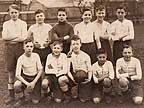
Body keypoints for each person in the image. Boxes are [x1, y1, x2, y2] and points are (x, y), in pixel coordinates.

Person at [2, 4, 27, 104]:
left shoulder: (23, 23)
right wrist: (17, 37)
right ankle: (11, 96)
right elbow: (4, 37)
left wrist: (11, 38)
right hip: (9, 50)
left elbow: (23, 37)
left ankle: (22, 97)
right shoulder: (6, 24)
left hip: (20, 48)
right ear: (9, 13)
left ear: (19, 13)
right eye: (12, 12)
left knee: (21, 72)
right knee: (11, 73)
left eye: (15, 12)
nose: (14, 14)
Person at [13, 39, 43, 107]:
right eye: (27, 46)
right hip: (25, 77)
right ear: (23, 47)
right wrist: (27, 84)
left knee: (35, 102)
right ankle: (22, 99)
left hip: (35, 78)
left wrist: (34, 82)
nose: (29, 48)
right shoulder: (20, 58)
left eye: (31, 46)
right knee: (16, 85)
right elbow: (17, 75)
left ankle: (33, 92)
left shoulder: (36, 55)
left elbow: (40, 70)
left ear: (33, 47)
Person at [67, 35, 92, 102]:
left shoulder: (86, 55)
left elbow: (89, 69)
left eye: (77, 44)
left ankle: (82, 89)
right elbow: (67, 70)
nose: (75, 46)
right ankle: (74, 87)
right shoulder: (69, 55)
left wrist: (89, 78)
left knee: (83, 100)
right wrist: (72, 80)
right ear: (71, 46)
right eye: (73, 44)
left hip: (84, 75)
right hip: (74, 75)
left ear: (81, 44)